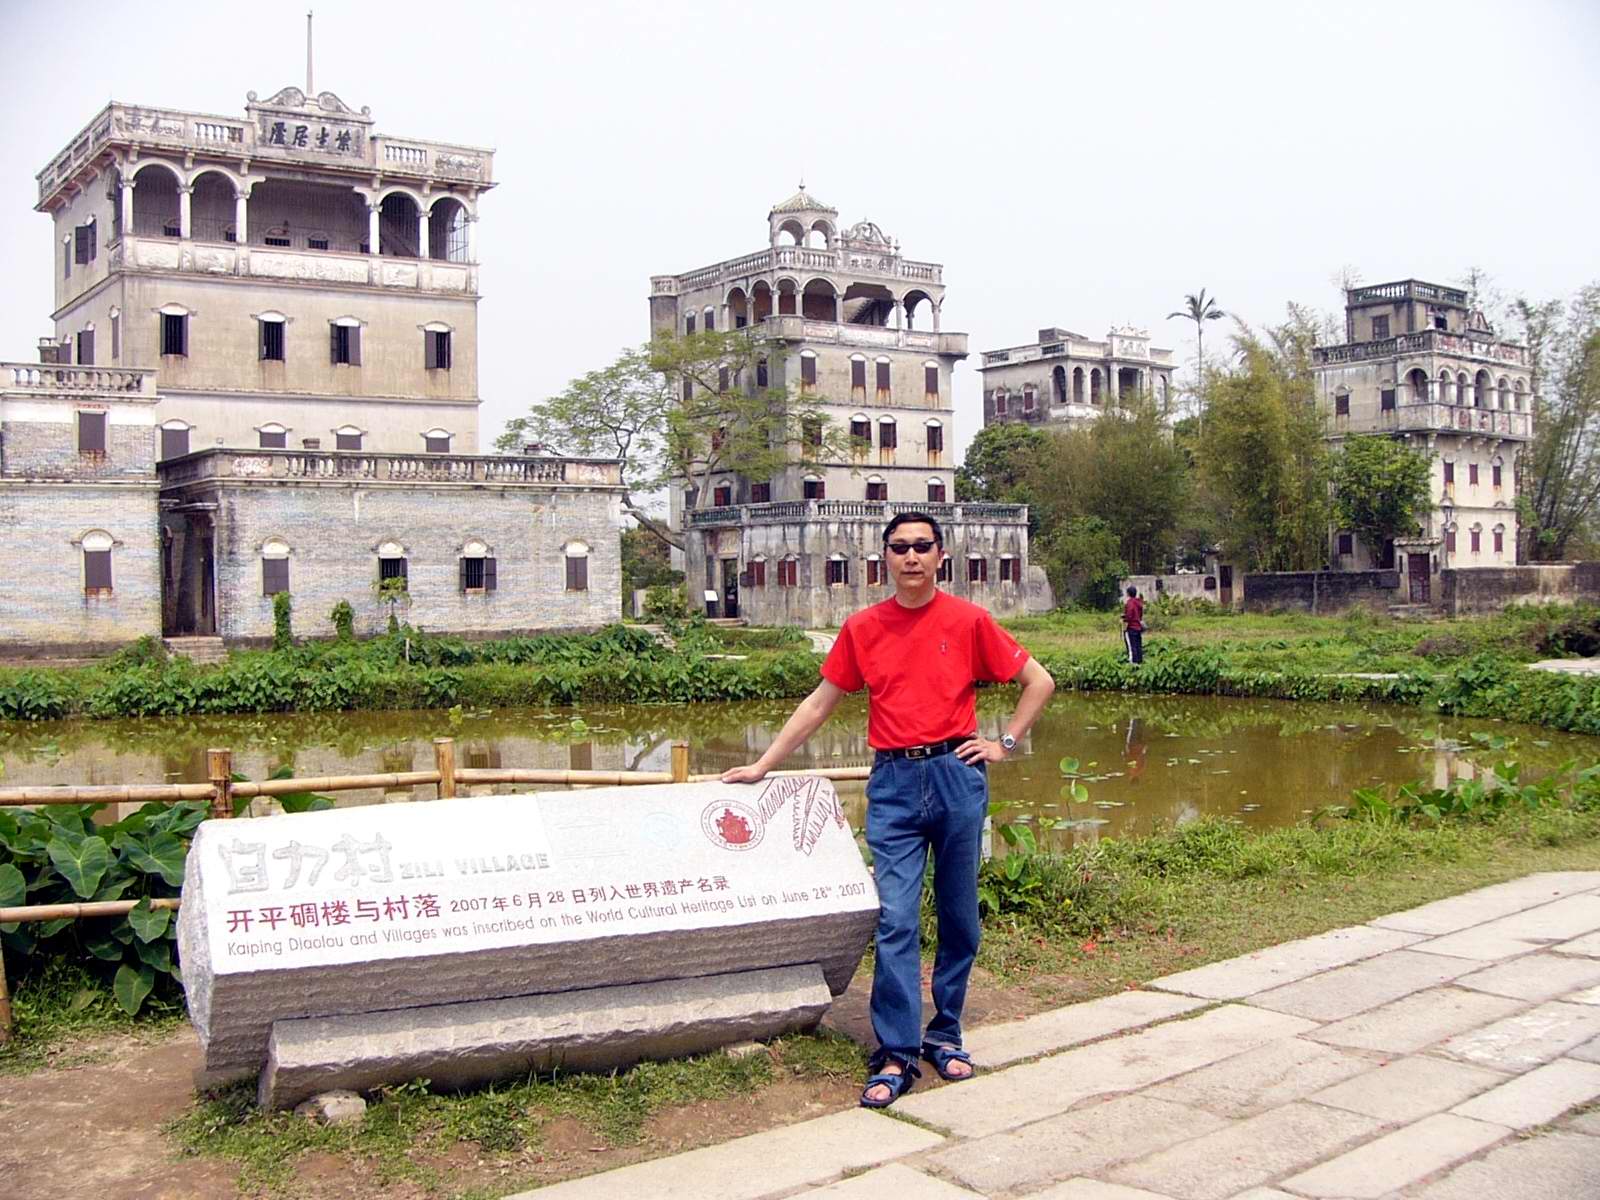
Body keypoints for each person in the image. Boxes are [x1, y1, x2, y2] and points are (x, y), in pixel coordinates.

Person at [721, 513, 1056, 1108]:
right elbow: (821, 703)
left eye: (921, 547)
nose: (910, 557)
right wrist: (764, 764)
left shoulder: (969, 620)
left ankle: (945, 1032)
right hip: (895, 783)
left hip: (956, 775)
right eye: (899, 548)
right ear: (885, 557)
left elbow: (1038, 681)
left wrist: (1003, 743)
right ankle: (896, 1051)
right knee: (896, 918)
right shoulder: (863, 628)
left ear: (939, 556)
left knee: (959, 917)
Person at [1122, 585, 1144, 665]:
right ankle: (1140, 661)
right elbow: (1140, 614)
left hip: (1131, 627)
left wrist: (1125, 619)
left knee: (1131, 645)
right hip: (1138, 626)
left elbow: (1129, 614)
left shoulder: (1129, 603)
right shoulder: (1139, 602)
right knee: (1138, 645)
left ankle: (1133, 663)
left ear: (1128, 593)